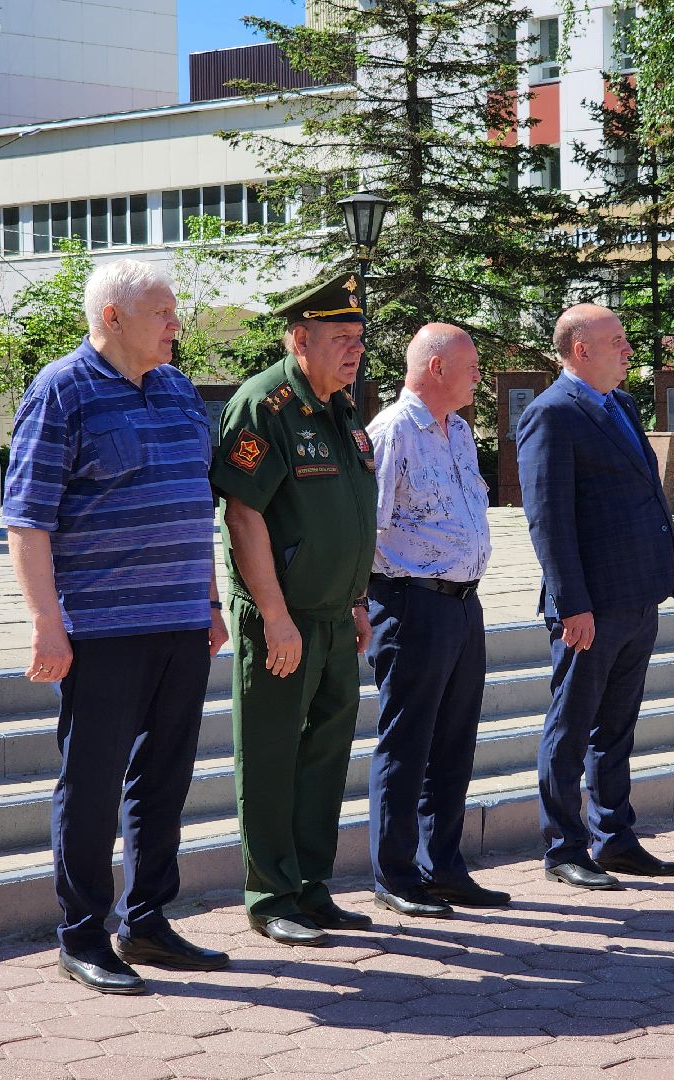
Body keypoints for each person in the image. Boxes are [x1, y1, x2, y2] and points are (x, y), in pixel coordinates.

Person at [3, 259, 231, 995]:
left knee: (165, 777)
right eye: (162, 313)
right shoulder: (60, 390)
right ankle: (83, 935)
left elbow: (196, 505)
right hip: (101, 630)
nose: (175, 325)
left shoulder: (177, 390)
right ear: (112, 318)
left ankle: (148, 919)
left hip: (181, 625)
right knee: (93, 783)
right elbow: (27, 518)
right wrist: (47, 624)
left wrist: (211, 602)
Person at [210, 273, 378, 946]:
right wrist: (275, 618)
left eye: (359, 340)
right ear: (298, 338)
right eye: (339, 339)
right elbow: (244, 515)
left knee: (325, 759)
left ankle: (311, 886)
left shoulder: (340, 407)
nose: (354, 352)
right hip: (282, 620)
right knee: (273, 758)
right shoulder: (267, 406)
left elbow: (350, 515)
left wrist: (359, 602)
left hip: (335, 618)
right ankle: (271, 894)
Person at [517, 303, 674, 891]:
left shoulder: (622, 404)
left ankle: (614, 837)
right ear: (580, 349)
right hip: (590, 607)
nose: (629, 349)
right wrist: (571, 604)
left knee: (616, 728)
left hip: (637, 595)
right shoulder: (552, 414)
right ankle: (565, 845)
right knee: (571, 726)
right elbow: (549, 520)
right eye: (617, 340)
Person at [365, 324, 509, 918]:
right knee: (408, 742)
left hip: (462, 602)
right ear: (435, 367)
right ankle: (395, 874)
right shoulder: (392, 431)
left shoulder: (460, 433)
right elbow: (367, 526)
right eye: (470, 363)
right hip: (411, 602)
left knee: (454, 741)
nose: (479, 372)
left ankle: (443, 866)